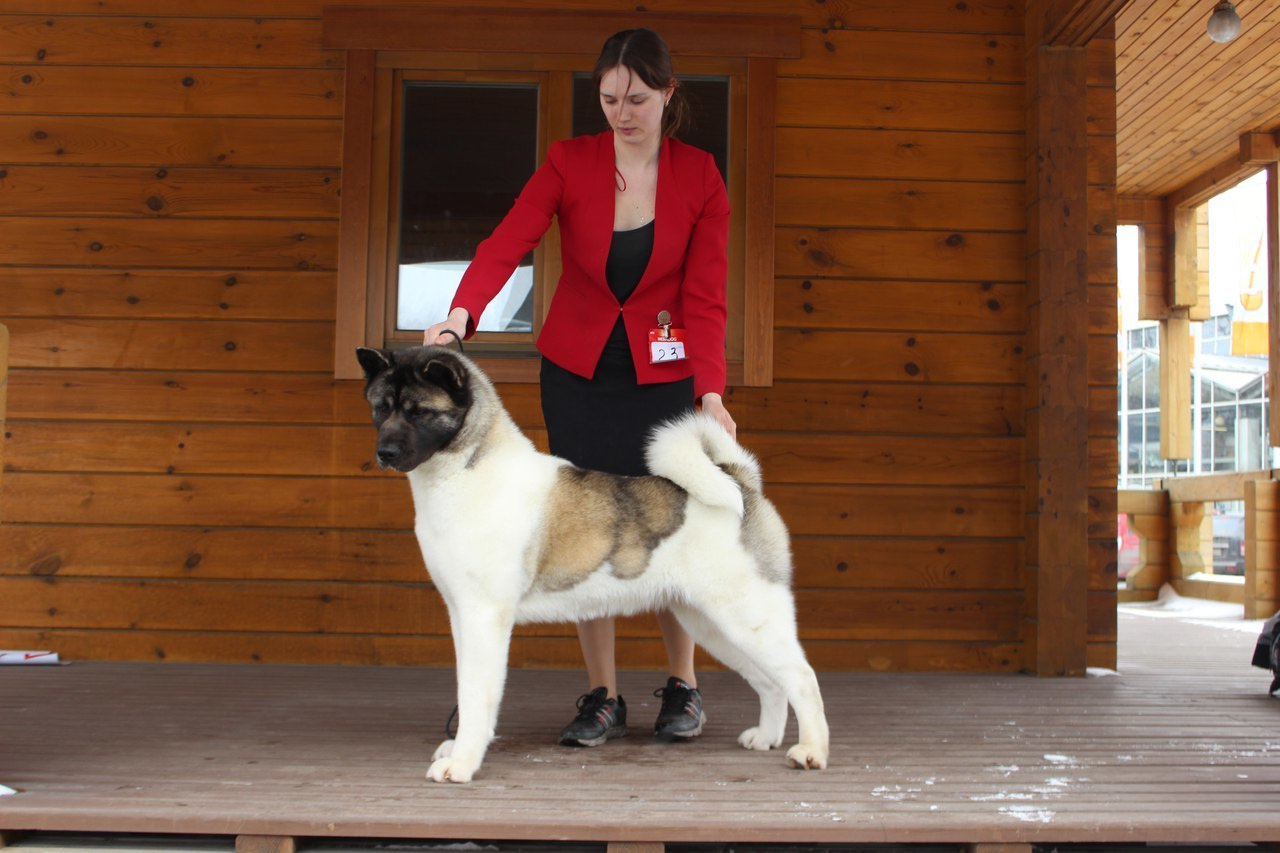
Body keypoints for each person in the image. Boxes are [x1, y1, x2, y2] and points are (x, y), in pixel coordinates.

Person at [423, 27, 735, 748]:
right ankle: (603, 694)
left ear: (667, 95)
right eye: (608, 98)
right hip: (578, 372)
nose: (622, 112)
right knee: (587, 524)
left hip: (666, 375)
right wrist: (461, 314)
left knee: (667, 523)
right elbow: (509, 241)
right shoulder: (570, 161)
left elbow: (707, 297)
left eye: (636, 98)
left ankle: (683, 685)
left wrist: (712, 392)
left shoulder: (701, 176)